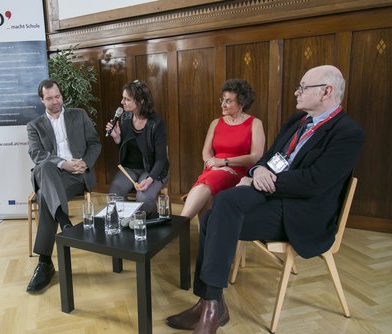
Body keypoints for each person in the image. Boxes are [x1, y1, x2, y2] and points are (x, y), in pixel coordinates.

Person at [165, 65, 364, 333]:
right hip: (271, 196)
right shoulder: (298, 121)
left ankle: (210, 305)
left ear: (326, 91)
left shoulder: (348, 132)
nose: (297, 92)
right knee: (219, 208)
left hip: (302, 212)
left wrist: (265, 181)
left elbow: (315, 181)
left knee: (214, 216)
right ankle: (210, 305)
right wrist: (257, 171)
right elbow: (267, 157)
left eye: (303, 87)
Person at [26, 79, 101, 293]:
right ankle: (64, 223)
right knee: (44, 167)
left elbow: (95, 143)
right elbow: (36, 154)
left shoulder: (79, 114)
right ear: (42, 100)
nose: (55, 101)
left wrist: (83, 163)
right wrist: (62, 163)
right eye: (49, 98)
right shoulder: (34, 126)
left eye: (57, 96)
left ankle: (44, 263)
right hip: (55, 173)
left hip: (77, 175)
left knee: (44, 195)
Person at [180, 79, 265, 219]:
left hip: (237, 171)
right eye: (222, 100)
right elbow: (206, 153)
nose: (223, 105)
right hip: (213, 168)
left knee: (207, 184)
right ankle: (203, 238)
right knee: (207, 192)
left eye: (228, 101)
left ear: (241, 103)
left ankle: (181, 222)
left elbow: (255, 156)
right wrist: (215, 166)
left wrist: (224, 162)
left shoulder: (255, 123)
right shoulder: (216, 123)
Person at [105, 80, 169, 213]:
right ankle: (125, 225)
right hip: (129, 168)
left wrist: (150, 179)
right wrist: (117, 139)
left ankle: (150, 229)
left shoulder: (156, 123)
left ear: (141, 101)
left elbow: (161, 159)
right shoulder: (125, 117)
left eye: (127, 99)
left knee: (144, 197)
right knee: (115, 193)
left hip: (152, 169)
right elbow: (126, 150)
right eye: (123, 98)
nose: (122, 102)